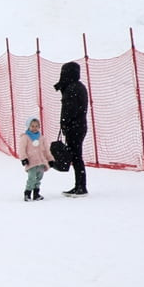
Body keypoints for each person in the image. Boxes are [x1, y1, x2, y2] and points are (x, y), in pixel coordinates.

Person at [55, 62, 89, 196]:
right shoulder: (78, 87)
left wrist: (65, 124)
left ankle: (81, 187)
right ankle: (79, 185)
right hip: (79, 126)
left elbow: (70, 110)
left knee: (76, 157)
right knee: (76, 157)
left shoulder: (72, 88)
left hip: (75, 128)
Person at [17, 116, 54, 202]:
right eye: (32, 126)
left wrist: (50, 159)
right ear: (28, 127)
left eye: (36, 126)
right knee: (32, 178)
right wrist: (24, 158)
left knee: (39, 178)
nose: (34, 128)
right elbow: (22, 149)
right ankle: (27, 193)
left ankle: (36, 194)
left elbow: (46, 150)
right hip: (31, 162)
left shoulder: (41, 138)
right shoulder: (25, 137)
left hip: (41, 162)